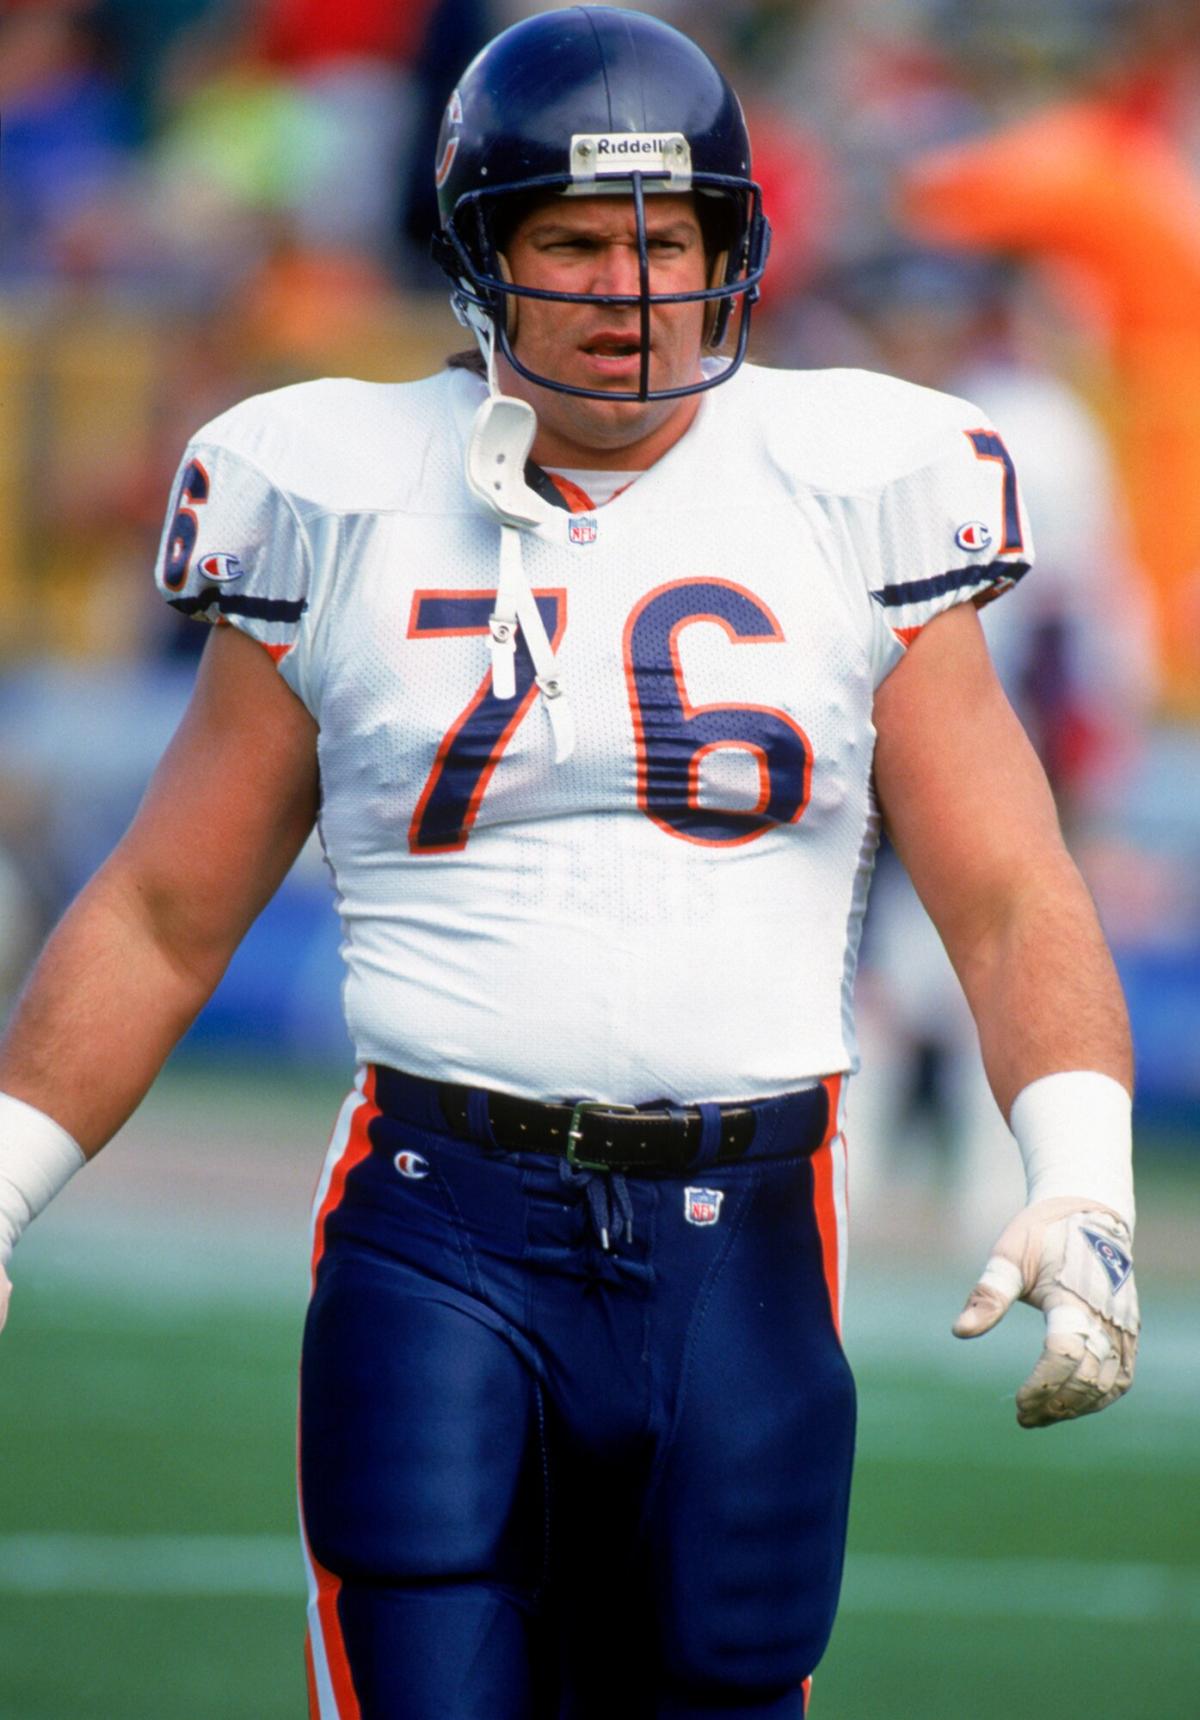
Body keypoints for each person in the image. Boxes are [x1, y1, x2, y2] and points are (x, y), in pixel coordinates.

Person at [0, 9, 1141, 1718]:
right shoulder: (334, 487)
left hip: (746, 1236)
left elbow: (1006, 886)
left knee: (729, 1689)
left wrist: (1085, 1172)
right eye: (578, 241)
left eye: (671, 239)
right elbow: (169, 907)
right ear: (479, 258)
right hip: (436, 1224)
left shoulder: (857, 482)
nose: (634, 287)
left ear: (732, 249)